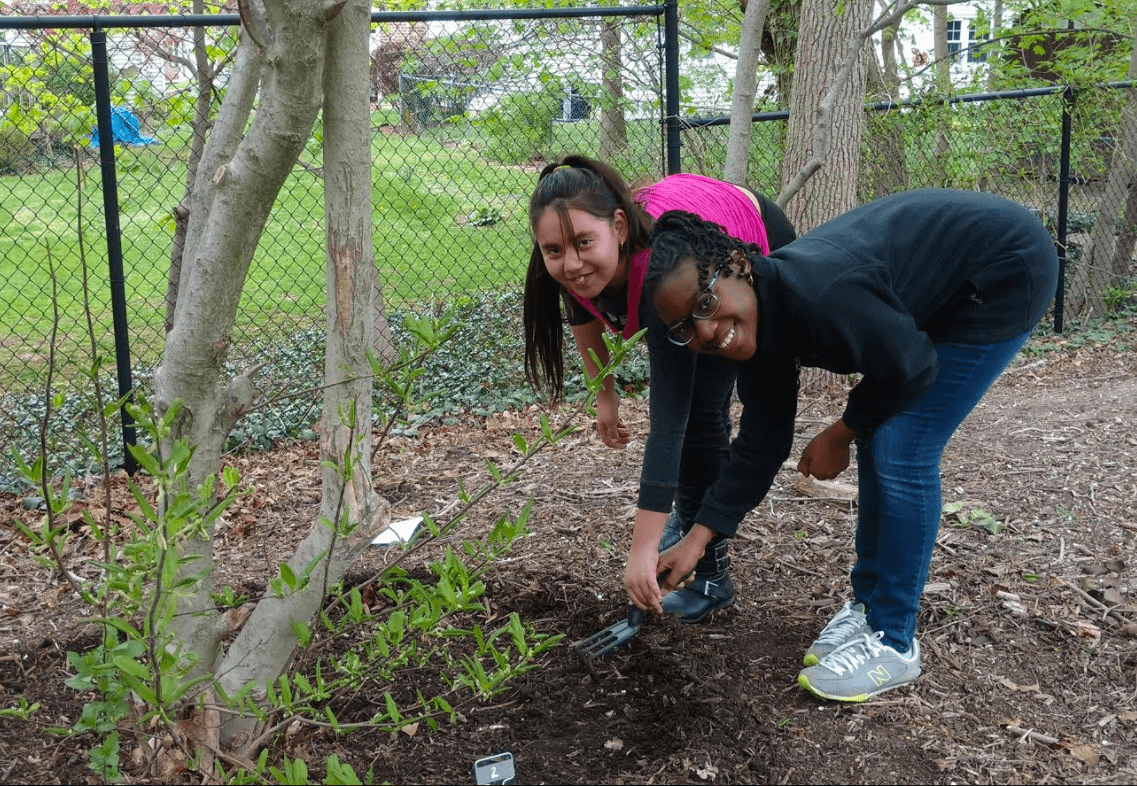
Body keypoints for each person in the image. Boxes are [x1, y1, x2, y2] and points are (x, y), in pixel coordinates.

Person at [632, 189, 1059, 701]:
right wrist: (697, 541)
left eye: (706, 304)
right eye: (685, 327)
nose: (707, 331)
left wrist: (841, 431)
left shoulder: (820, 294)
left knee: (901, 447)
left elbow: (912, 366)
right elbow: (763, 441)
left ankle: (894, 641)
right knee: (883, 432)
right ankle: (866, 605)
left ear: (738, 264)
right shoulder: (759, 321)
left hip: (1003, 267)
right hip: (950, 279)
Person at [522, 155, 797, 623]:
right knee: (695, 423)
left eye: (584, 243)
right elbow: (584, 314)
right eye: (553, 251)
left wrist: (640, 551)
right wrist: (604, 398)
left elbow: (668, 426)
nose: (570, 264)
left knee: (699, 419)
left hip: (747, 235)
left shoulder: (665, 276)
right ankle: (689, 521)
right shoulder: (574, 256)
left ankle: (711, 573)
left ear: (620, 227)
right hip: (686, 240)